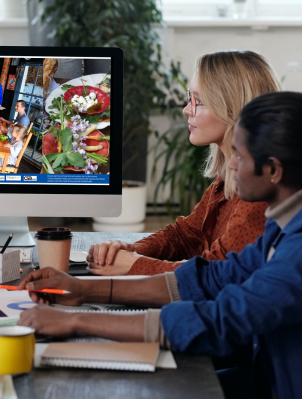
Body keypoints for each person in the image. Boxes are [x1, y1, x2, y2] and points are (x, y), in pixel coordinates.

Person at [17, 91, 302, 399]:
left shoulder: (296, 253)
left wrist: (75, 321)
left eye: (240, 156)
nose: (231, 165)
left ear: (273, 170)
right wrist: (85, 289)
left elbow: (219, 320)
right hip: (262, 378)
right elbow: (210, 278)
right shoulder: (281, 222)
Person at [88, 51, 281, 276]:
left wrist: (132, 265)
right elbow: (184, 236)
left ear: (234, 108)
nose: (187, 109)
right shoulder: (225, 181)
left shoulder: (258, 192)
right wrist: (130, 250)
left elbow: (216, 273)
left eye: (198, 101)